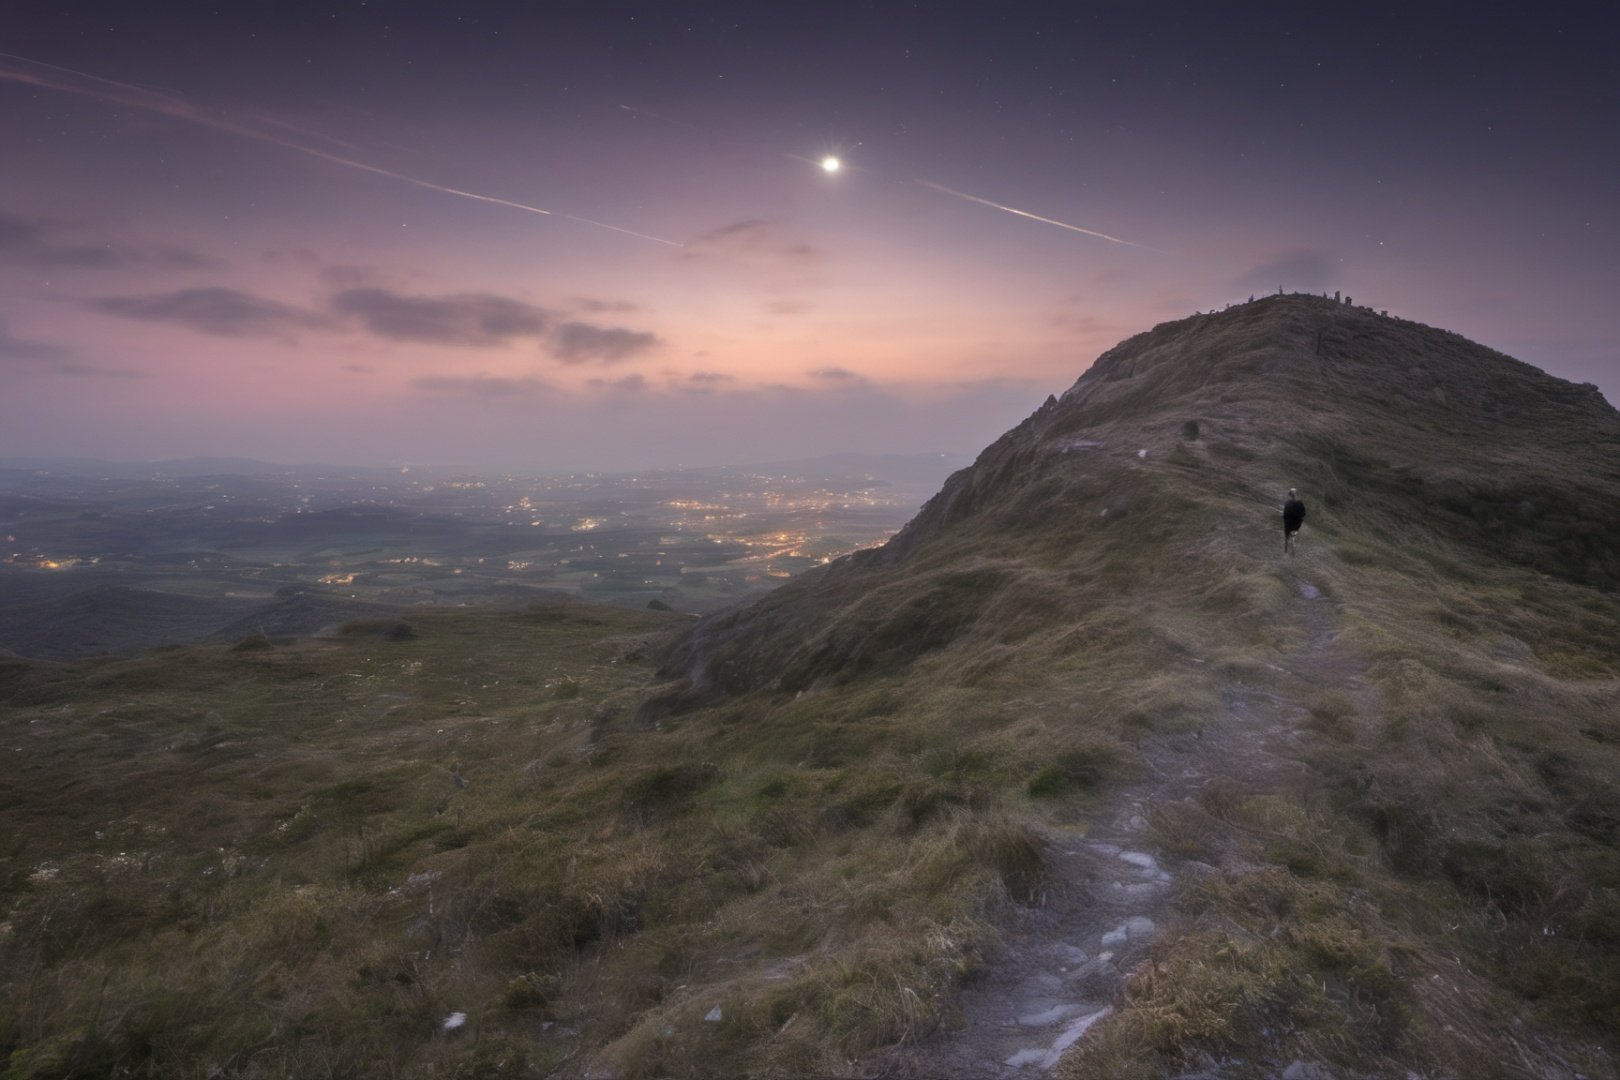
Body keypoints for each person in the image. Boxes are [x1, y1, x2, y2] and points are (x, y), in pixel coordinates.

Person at [1282, 488, 1307, 554]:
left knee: (1287, 533)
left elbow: (1285, 514)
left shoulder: (1288, 503)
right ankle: (1292, 544)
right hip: (1296, 522)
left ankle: (1287, 546)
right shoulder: (1300, 503)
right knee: (1293, 534)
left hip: (1289, 522)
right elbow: (1303, 514)